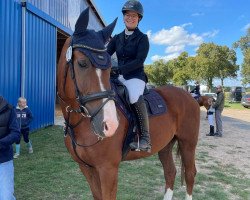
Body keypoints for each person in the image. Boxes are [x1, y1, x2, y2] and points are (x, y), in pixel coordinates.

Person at [107, 0, 151, 152]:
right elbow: (107, 54)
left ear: (139, 18)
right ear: (124, 17)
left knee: (133, 96)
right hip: (118, 75)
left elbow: (139, 61)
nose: (130, 18)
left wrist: (118, 69)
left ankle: (145, 137)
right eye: (128, 15)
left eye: (134, 15)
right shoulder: (117, 38)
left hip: (135, 76)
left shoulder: (142, 38)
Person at [0, 95, 20, 200]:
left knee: (6, 196)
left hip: (4, 161)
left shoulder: (9, 109)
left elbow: (16, 133)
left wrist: (1, 143)